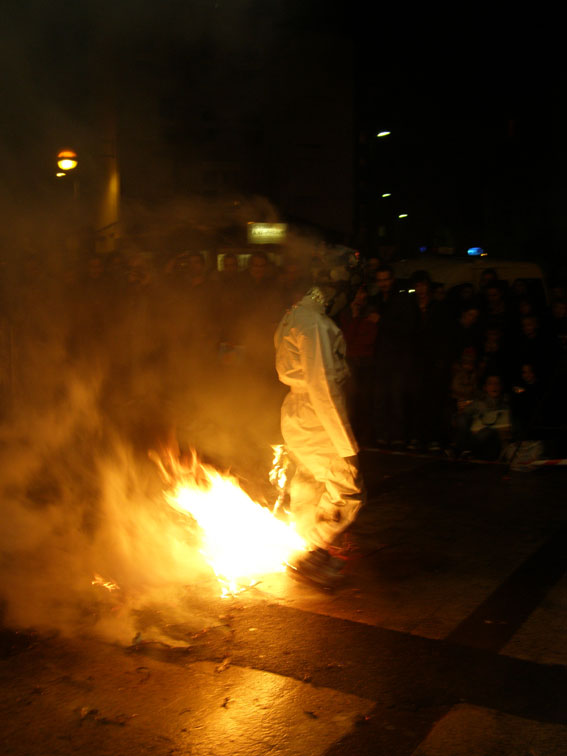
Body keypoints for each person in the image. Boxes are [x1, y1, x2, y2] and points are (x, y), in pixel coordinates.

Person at [274, 264, 365, 588]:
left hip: (298, 411)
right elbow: (322, 384)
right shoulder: (314, 323)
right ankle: (310, 556)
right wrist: (345, 444)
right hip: (315, 413)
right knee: (345, 486)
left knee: (310, 483)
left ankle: (305, 550)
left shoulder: (293, 315)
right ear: (334, 291)